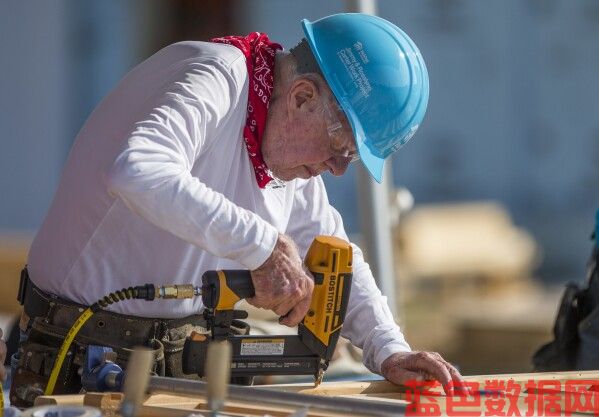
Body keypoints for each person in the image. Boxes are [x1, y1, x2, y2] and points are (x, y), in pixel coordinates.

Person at [11, 13, 463, 407]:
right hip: (73, 352)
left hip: (173, 363)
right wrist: (263, 248)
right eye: (340, 149)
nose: (338, 169)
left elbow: (336, 255)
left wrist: (389, 349)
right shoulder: (216, 76)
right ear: (303, 97)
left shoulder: (287, 155)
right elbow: (139, 169)